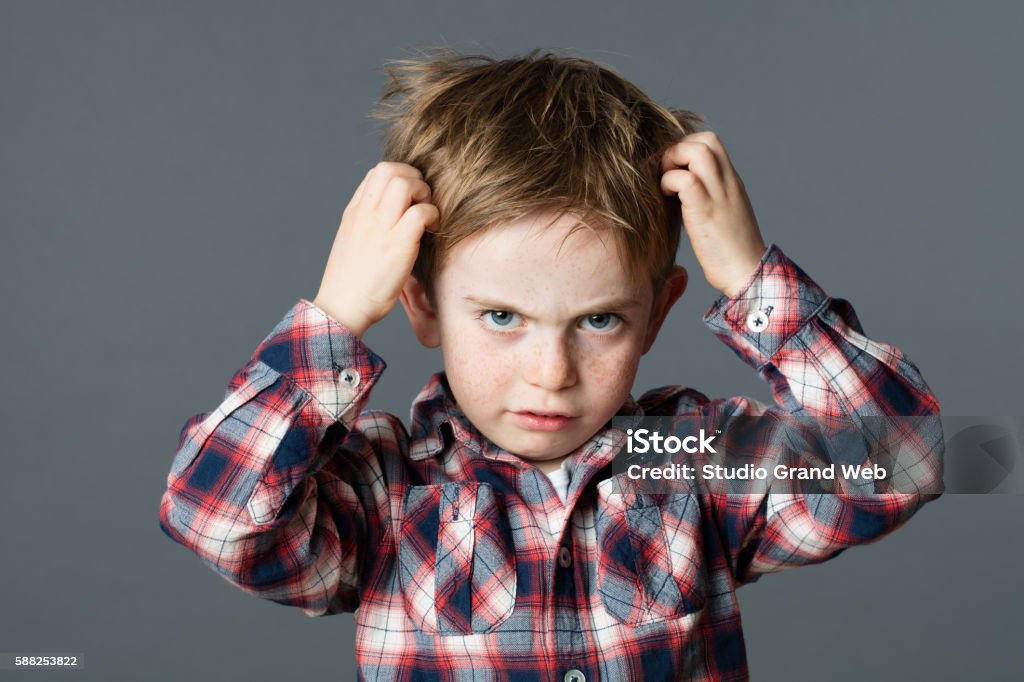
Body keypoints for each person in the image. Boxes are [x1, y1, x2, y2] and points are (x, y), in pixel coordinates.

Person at [159, 47, 943, 681]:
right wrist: (333, 319)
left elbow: (904, 458)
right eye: (502, 318)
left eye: (598, 320)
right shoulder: (390, 490)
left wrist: (751, 282)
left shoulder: (686, 461)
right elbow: (215, 518)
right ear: (422, 305)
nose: (552, 371)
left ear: (656, 313)